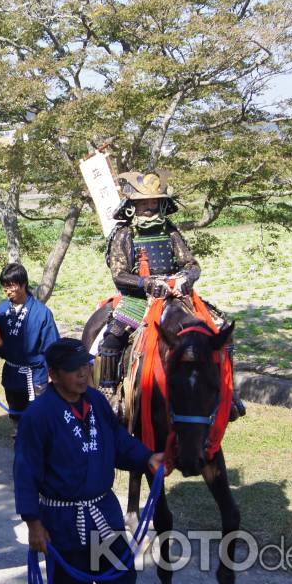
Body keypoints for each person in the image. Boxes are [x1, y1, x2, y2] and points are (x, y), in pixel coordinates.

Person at [14, 338, 164, 584]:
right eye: (74, 369)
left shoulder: (95, 400)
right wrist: (33, 523)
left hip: (103, 514)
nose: (83, 374)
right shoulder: (38, 415)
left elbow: (117, 440)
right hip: (64, 524)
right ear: (53, 375)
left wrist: (147, 458)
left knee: (122, 579)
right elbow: (25, 472)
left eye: (85, 366)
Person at [99, 170, 245, 419]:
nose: (149, 207)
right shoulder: (124, 234)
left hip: (176, 295)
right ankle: (108, 393)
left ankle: (228, 391)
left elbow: (191, 263)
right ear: (132, 205)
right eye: (143, 202)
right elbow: (119, 274)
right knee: (114, 336)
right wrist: (147, 283)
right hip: (138, 298)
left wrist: (186, 278)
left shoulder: (170, 229)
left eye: (153, 201)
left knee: (221, 328)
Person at [0, 263, 60, 423]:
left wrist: (55, 374)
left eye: (11, 286)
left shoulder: (42, 313)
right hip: (11, 376)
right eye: (4, 287)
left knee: (39, 419)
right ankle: (19, 441)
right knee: (16, 417)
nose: (7, 291)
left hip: (36, 377)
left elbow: (52, 347)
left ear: (23, 285)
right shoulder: (1, 310)